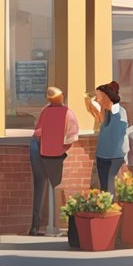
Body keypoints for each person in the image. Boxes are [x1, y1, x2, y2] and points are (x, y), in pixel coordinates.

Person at [29, 86, 80, 235]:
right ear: (61, 97)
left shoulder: (45, 110)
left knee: (39, 187)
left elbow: (38, 132)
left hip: (37, 148)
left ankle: (36, 226)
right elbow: (71, 138)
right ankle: (56, 222)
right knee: (54, 185)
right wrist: (61, 150)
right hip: (51, 153)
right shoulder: (67, 113)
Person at [85, 81, 129, 197]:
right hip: (102, 156)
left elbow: (119, 135)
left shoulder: (120, 113)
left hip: (114, 156)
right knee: (103, 186)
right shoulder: (105, 113)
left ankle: (111, 209)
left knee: (110, 184)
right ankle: (106, 209)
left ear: (106, 97)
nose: (96, 100)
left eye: (98, 96)